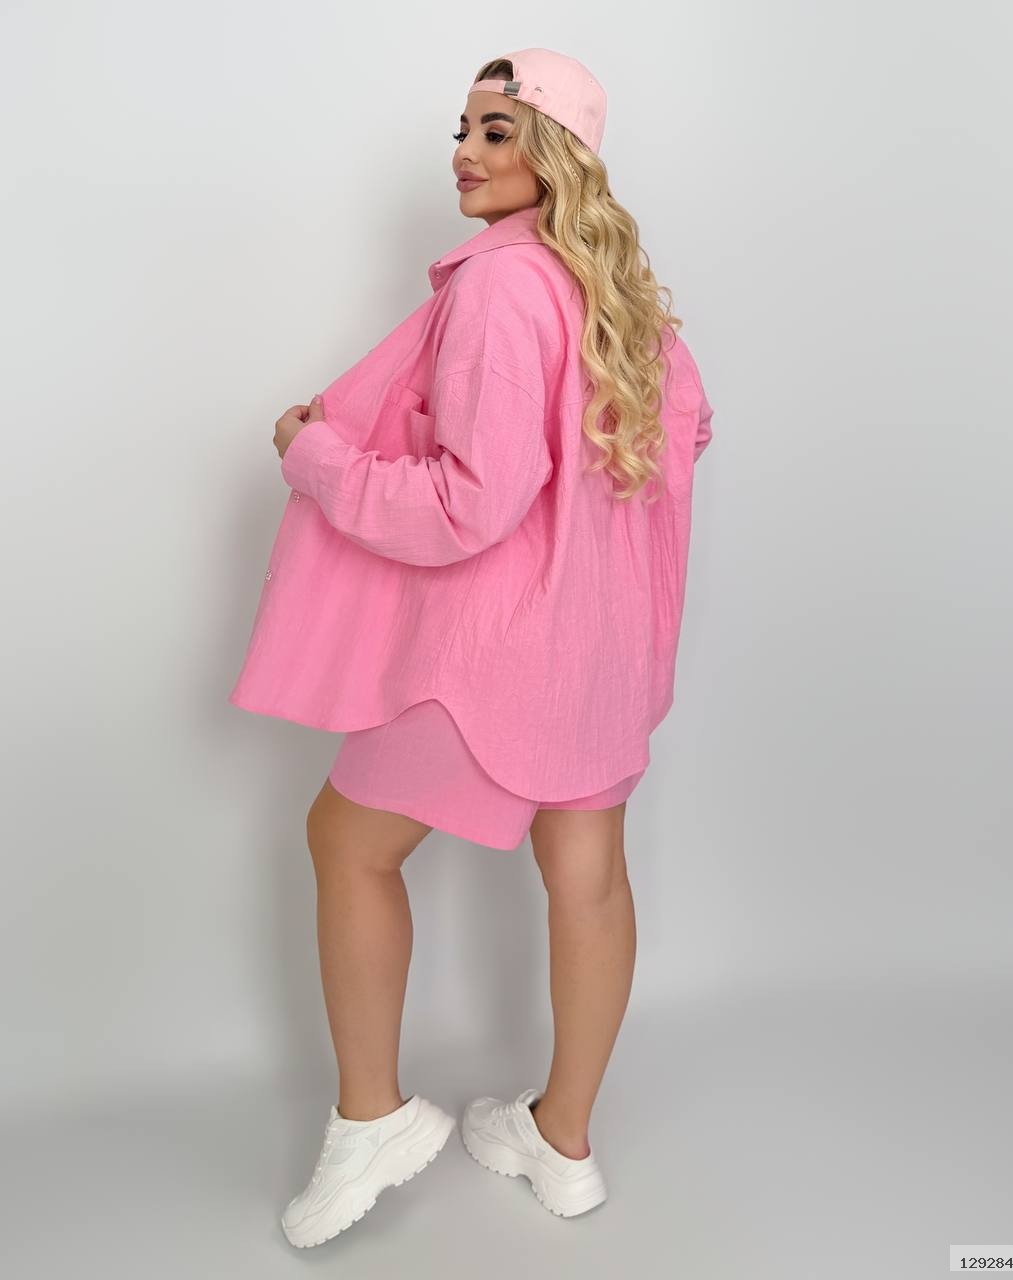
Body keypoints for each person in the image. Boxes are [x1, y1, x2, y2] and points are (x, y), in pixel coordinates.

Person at [228, 48, 715, 1247]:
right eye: (461, 129)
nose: (463, 153)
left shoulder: (501, 285)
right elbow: (685, 434)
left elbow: (469, 504)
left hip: (495, 656)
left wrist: (316, 455)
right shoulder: (619, 287)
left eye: (496, 131)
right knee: (587, 876)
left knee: (345, 842)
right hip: (603, 649)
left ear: (555, 151)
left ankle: (371, 1118)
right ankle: (562, 1140)